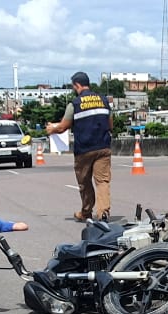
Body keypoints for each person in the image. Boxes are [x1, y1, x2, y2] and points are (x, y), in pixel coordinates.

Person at [46, 71, 114, 222]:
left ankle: (86, 212)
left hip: (84, 150)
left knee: (85, 182)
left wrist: (52, 129)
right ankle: (103, 212)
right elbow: (111, 125)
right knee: (102, 181)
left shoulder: (74, 104)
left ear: (77, 85)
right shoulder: (104, 100)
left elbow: (63, 127)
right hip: (103, 147)